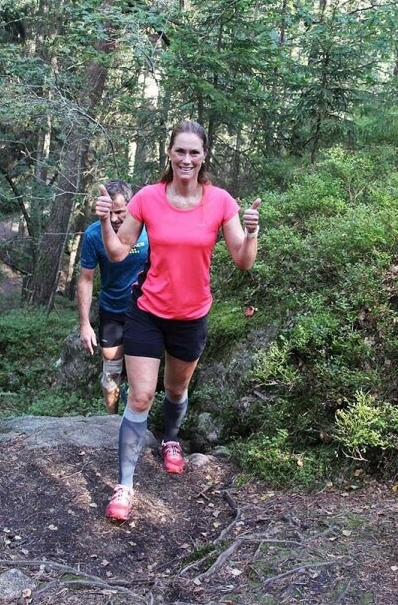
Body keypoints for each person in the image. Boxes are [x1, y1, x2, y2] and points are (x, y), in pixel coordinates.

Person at [95, 120, 261, 521]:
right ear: (169, 154)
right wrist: (104, 221)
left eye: (194, 152)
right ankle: (125, 485)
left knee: (175, 391)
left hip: (191, 315)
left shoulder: (221, 201)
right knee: (140, 396)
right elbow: (118, 253)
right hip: (148, 311)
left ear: (204, 157)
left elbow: (243, 261)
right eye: (180, 151)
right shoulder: (148, 198)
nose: (186, 159)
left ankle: (170, 438)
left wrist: (252, 233)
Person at [78, 179, 150, 415]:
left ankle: (136, 420)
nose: (116, 218)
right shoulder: (93, 235)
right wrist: (85, 324)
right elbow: (86, 278)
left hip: (145, 308)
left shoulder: (148, 229)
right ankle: (111, 420)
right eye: (110, 213)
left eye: (120, 212)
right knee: (111, 368)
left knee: (141, 369)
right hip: (112, 308)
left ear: (131, 207)